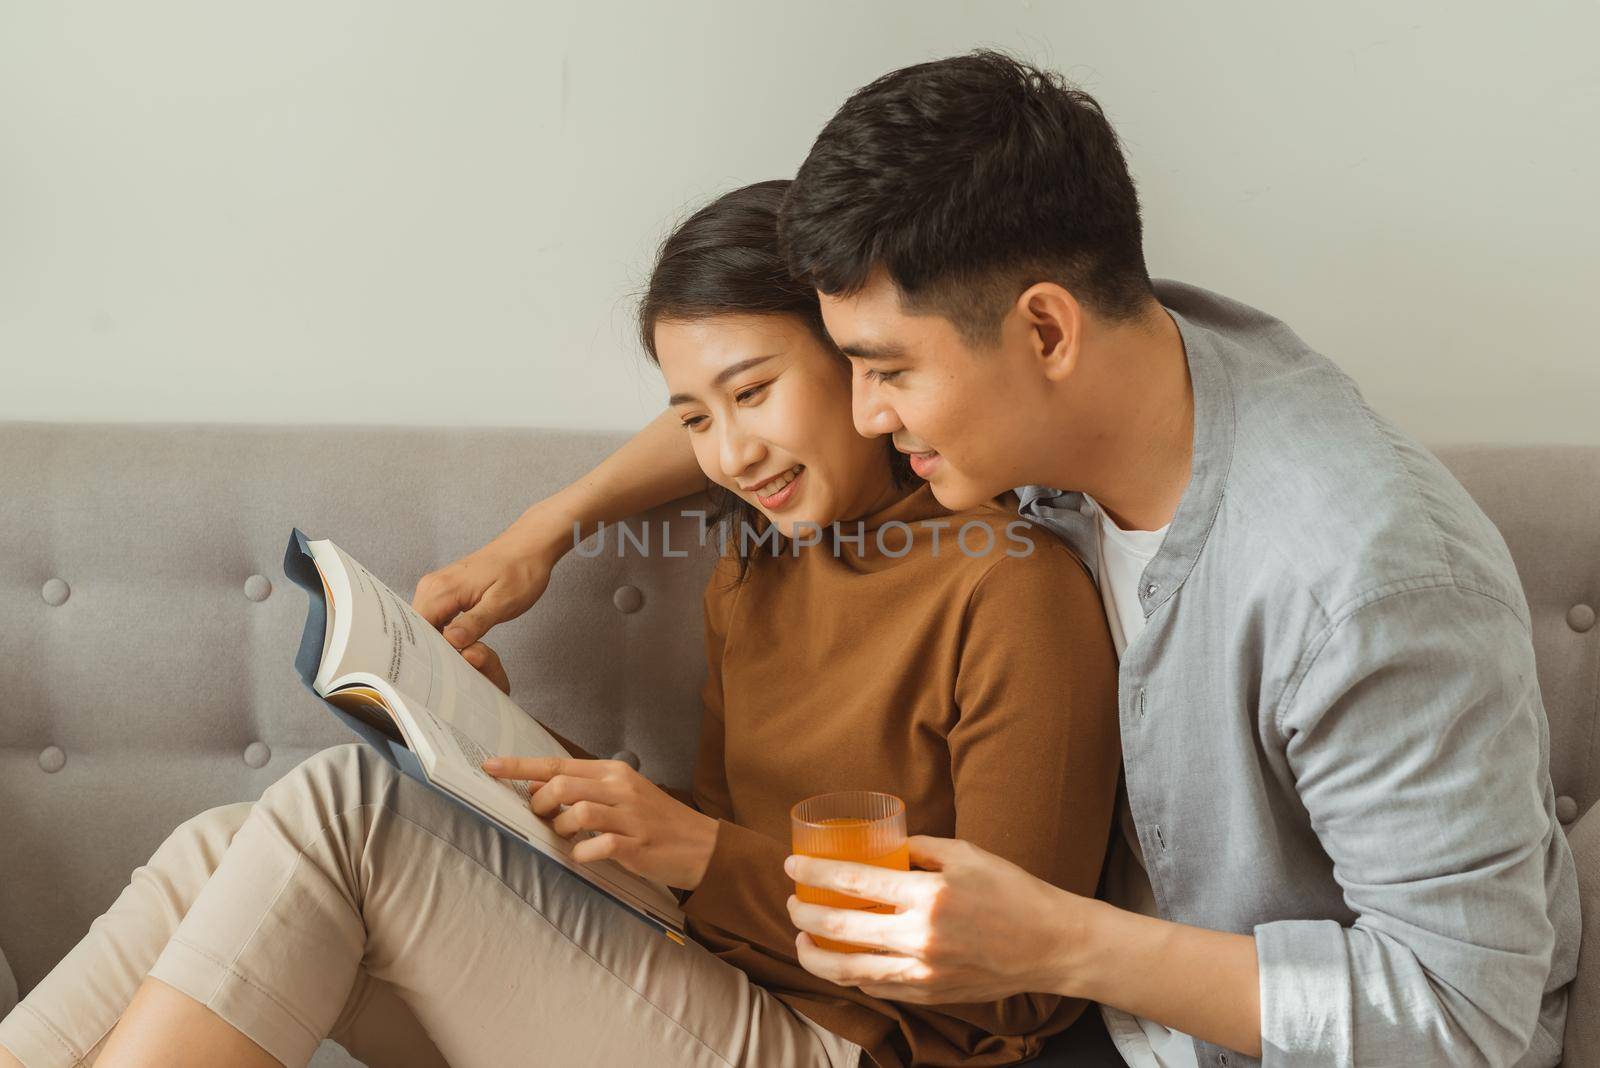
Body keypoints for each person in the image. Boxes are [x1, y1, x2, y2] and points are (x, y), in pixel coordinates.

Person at [412, 52, 1580, 1067]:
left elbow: (1462, 1013)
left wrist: (1063, 940)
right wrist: (547, 530)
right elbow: (752, 426)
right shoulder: (1092, 379)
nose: (863, 418)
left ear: (1042, 332)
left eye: (885, 371)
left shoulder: (1359, 582)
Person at [0, 181, 1123, 1068]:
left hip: (864, 1046)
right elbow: (728, 863)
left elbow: (1020, 985)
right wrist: (508, 752)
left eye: (753, 391)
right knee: (225, 843)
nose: (729, 453)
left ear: (855, 356)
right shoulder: (760, 570)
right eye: (695, 415)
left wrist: (699, 855)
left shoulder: (1010, 588)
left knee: (339, 808)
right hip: (719, 985)